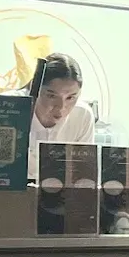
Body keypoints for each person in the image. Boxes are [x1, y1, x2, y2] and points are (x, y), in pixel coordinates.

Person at [25, 52, 95, 180]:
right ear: (34, 89)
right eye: (51, 96)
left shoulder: (82, 115)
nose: (61, 107)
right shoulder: (11, 110)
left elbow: (80, 173)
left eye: (70, 98)